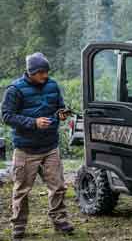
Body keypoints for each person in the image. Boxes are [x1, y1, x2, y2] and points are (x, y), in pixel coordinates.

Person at [1, 53, 74, 240]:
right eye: (41, 72)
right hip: (26, 149)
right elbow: (7, 116)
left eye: (47, 72)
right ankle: (18, 225)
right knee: (22, 190)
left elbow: (59, 107)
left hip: (50, 146)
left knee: (58, 187)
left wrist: (62, 114)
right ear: (31, 72)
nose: (45, 76)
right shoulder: (15, 90)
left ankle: (60, 221)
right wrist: (33, 122)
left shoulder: (53, 85)